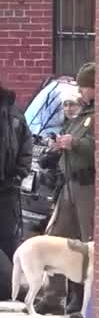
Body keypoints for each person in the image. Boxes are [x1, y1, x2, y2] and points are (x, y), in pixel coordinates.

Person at [40, 63, 96, 318]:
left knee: (87, 243)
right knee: (57, 237)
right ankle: (53, 297)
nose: (81, 92)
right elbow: (69, 136)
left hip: (88, 186)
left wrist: (75, 144)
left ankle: (83, 302)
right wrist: (59, 143)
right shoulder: (80, 115)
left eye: (84, 86)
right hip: (69, 185)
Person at [0, 80, 33, 279]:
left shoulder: (15, 115)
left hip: (7, 189)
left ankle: (11, 285)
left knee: (8, 238)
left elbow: (26, 147)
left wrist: (20, 174)